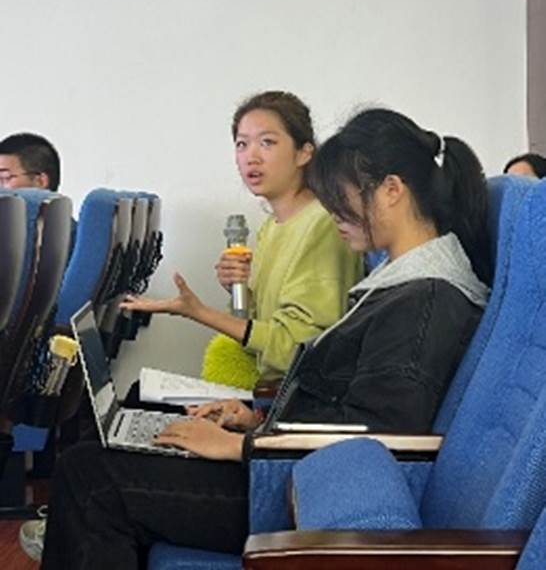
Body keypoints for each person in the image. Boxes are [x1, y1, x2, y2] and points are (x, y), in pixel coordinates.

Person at [40, 107, 490, 568]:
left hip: (297, 491)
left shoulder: (426, 299)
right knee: (107, 454)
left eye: (342, 196)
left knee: (89, 479)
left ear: (392, 190)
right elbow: (349, 404)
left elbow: (379, 435)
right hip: (290, 463)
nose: (333, 211)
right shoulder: (403, 281)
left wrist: (243, 446)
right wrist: (255, 421)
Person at [124, 91, 362, 389]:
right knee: (140, 393)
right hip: (274, 388)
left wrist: (198, 312)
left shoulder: (322, 225)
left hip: (294, 399)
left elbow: (298, 349)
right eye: (242, 144)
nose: (252, 156)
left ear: (304, 153)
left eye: (267, 142)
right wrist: (241, 294)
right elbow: (263, 333)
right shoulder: (272, 226)